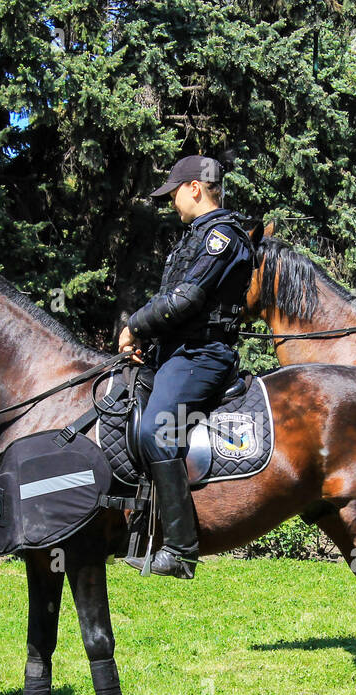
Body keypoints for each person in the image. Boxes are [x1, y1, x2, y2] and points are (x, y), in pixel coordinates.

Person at [117, 154, 254, 578]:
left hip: (202, 356)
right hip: (175, 352)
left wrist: (134, 326)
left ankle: (180, 549)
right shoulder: (196, 235)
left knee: (156, 431)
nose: (172, 201)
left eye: (174, 192)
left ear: (195, 188)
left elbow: (186, 300)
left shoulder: (222, 237)